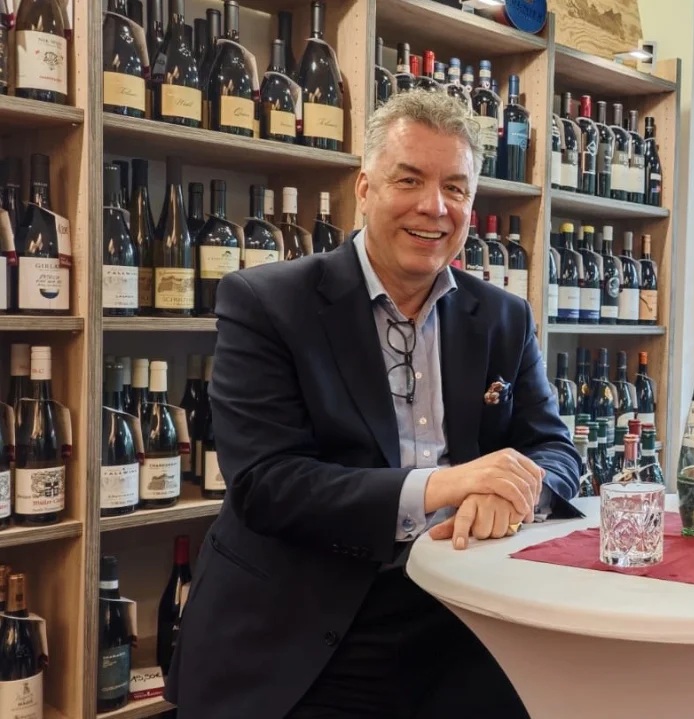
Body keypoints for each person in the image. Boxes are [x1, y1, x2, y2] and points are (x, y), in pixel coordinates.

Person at [164, 91, 582, 719]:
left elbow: (555, 451)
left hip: (462, 615)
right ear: (364, 188)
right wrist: (445, 485)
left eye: (455, 188)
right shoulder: (267, 302)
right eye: (409, 180)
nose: (434, 207)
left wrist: (516, 492)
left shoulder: (503, 316)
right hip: (303, 627)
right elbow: (266, 484)